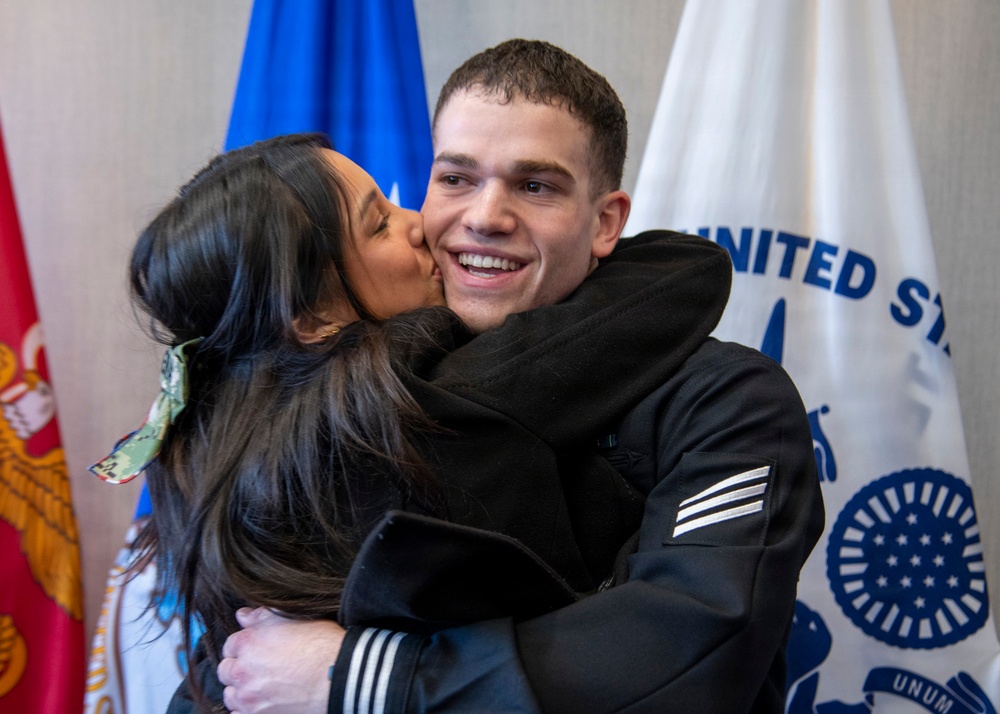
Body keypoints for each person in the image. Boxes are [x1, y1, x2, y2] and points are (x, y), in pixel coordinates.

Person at [217, 39, 825, 714]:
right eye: (456, 179)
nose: (484, 217)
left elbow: (699, 649)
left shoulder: (732, 401)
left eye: (535, 186)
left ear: (604, 223)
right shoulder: (343, 392)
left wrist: (370, 678)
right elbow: (246, 663)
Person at [91, 131, 733, 709]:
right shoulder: (424, 402)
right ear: (313, 320)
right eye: (378, 224)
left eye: (533, 186)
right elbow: (684, 273)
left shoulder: (221, 443)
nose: (420, 224)